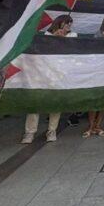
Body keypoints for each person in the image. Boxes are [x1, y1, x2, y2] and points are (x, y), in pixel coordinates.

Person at [22, 15, 74, 143]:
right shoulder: (45, 35)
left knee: (55, 103)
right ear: (58, 23)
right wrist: (54, 37)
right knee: (35, 103)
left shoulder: (73, 36)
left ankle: (52, 130)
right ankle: (29, 132)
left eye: (70, 24)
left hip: (58, 74)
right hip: (41, 73)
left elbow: (72, 52)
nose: (68, 27)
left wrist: (62, 40)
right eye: (66, 24)